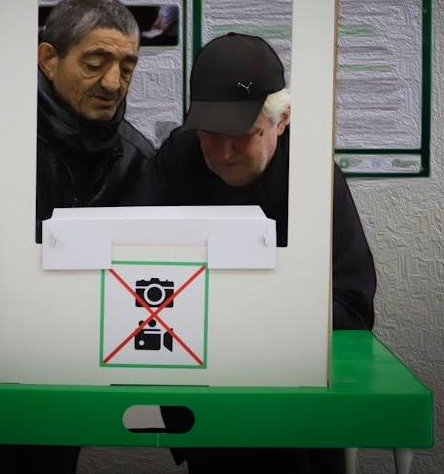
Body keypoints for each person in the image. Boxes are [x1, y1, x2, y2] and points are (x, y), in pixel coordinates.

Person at [0, 0, 154, 474]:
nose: (113, 83)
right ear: (48, 59)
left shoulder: (134, 155)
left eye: (127, 67)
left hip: (73, 358)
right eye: (96, 62)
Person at [126, 32, 377, 474]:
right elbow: (129, 264)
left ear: (282, 122)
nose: (222, 153)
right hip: (204, 396)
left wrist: (236, 311)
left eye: (243, 135)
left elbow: (353, 308)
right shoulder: (179, 157)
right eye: (209, 133)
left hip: (297, 401)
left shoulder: (312, 175)